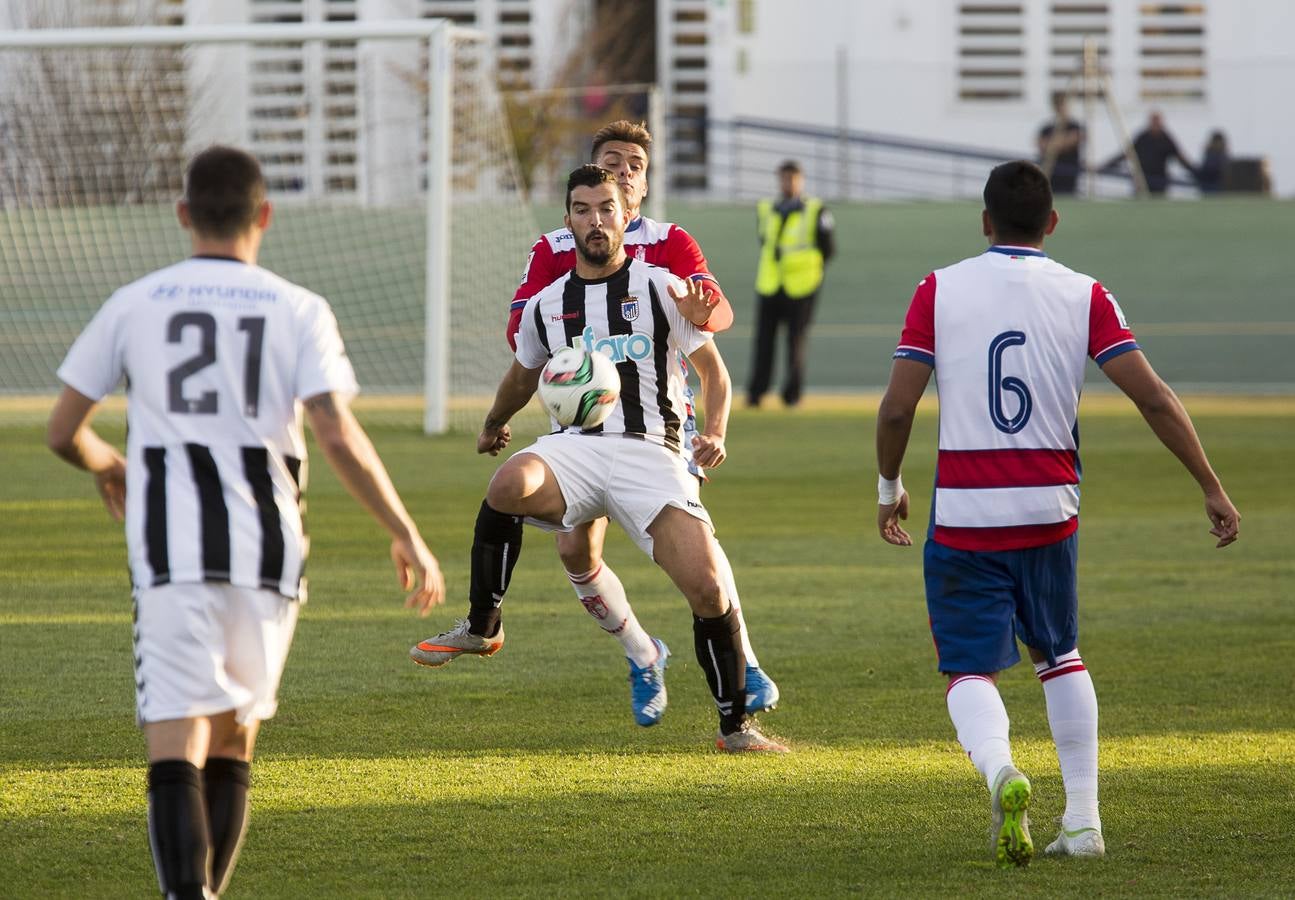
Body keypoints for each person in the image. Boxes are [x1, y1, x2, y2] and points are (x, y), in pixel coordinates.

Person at [46, 146, 446, 899]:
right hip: (269, 550)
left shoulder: (137, 301)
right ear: (264, 215)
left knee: (176, 738)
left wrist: (109, 465)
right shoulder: (298, 307)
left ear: (183, 215)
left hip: (171, 549)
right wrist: (405, 531)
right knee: (233, 738)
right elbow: (334, 432)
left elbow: (63, 430)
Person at [875, 160, 1240, 868]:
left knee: (968, 671)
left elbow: (896, 406)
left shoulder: (938, 288)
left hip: (965, 514)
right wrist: (1210, 485)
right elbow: (1154, 398)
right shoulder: (1084, 293)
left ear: (984, 222)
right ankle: (1083, 821)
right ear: (1051, 222)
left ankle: (1001, 772)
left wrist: (888, 486)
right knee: (1059, 654)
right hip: (1049, 508)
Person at [412, 120, 780, 725]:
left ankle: (739, 708)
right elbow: (522, 365)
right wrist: (494, 421)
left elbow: (714, 349)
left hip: (653, 442)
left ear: (629, 205)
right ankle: (487, 627)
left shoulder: (663, 273)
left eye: (606, 205)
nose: (595, 218)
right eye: (582, 209)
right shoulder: (548, 292)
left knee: (706, 579)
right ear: (570, 217)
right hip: (574, 445)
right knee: (518, 495)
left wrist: (714, 425)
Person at [747, 159, 835, 408]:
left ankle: (792, 395)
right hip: (770, 283)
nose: (788, 183)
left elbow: (828, 248)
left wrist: (809, 271)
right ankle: (756, 393)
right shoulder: (766, 208)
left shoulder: (816, 210)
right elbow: (764, 240)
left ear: (801, 180)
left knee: (796, 342)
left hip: (802, 286)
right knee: (764, 341)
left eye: (793, 178)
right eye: (785, 178)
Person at [1102, 111, 1197, 196]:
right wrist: (1105, 166)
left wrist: (1196, 172)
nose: (1156, 124)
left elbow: (1180, 158)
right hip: (1142, 181)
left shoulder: (1166, 139)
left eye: (1158, 121)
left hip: (1159, 182)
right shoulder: (1142, 137)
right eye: (1154, 121)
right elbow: (1127, 154)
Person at [1036, 91, 1083, 195]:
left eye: (1063, 104)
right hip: (1051, 176)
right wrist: (1060, 142)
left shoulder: (1075, 126)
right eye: (1058, 104)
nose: (1061, 107)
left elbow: (1074, 139)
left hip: (1069, 175)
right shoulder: (1047, 128)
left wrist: (1055, 144)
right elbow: (1042, 145)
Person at [1196, 129, 1229, 194]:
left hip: (1217, 184)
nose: (1217, 144)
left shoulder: (1222, 155)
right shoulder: (1209, 154)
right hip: (1207, 183)